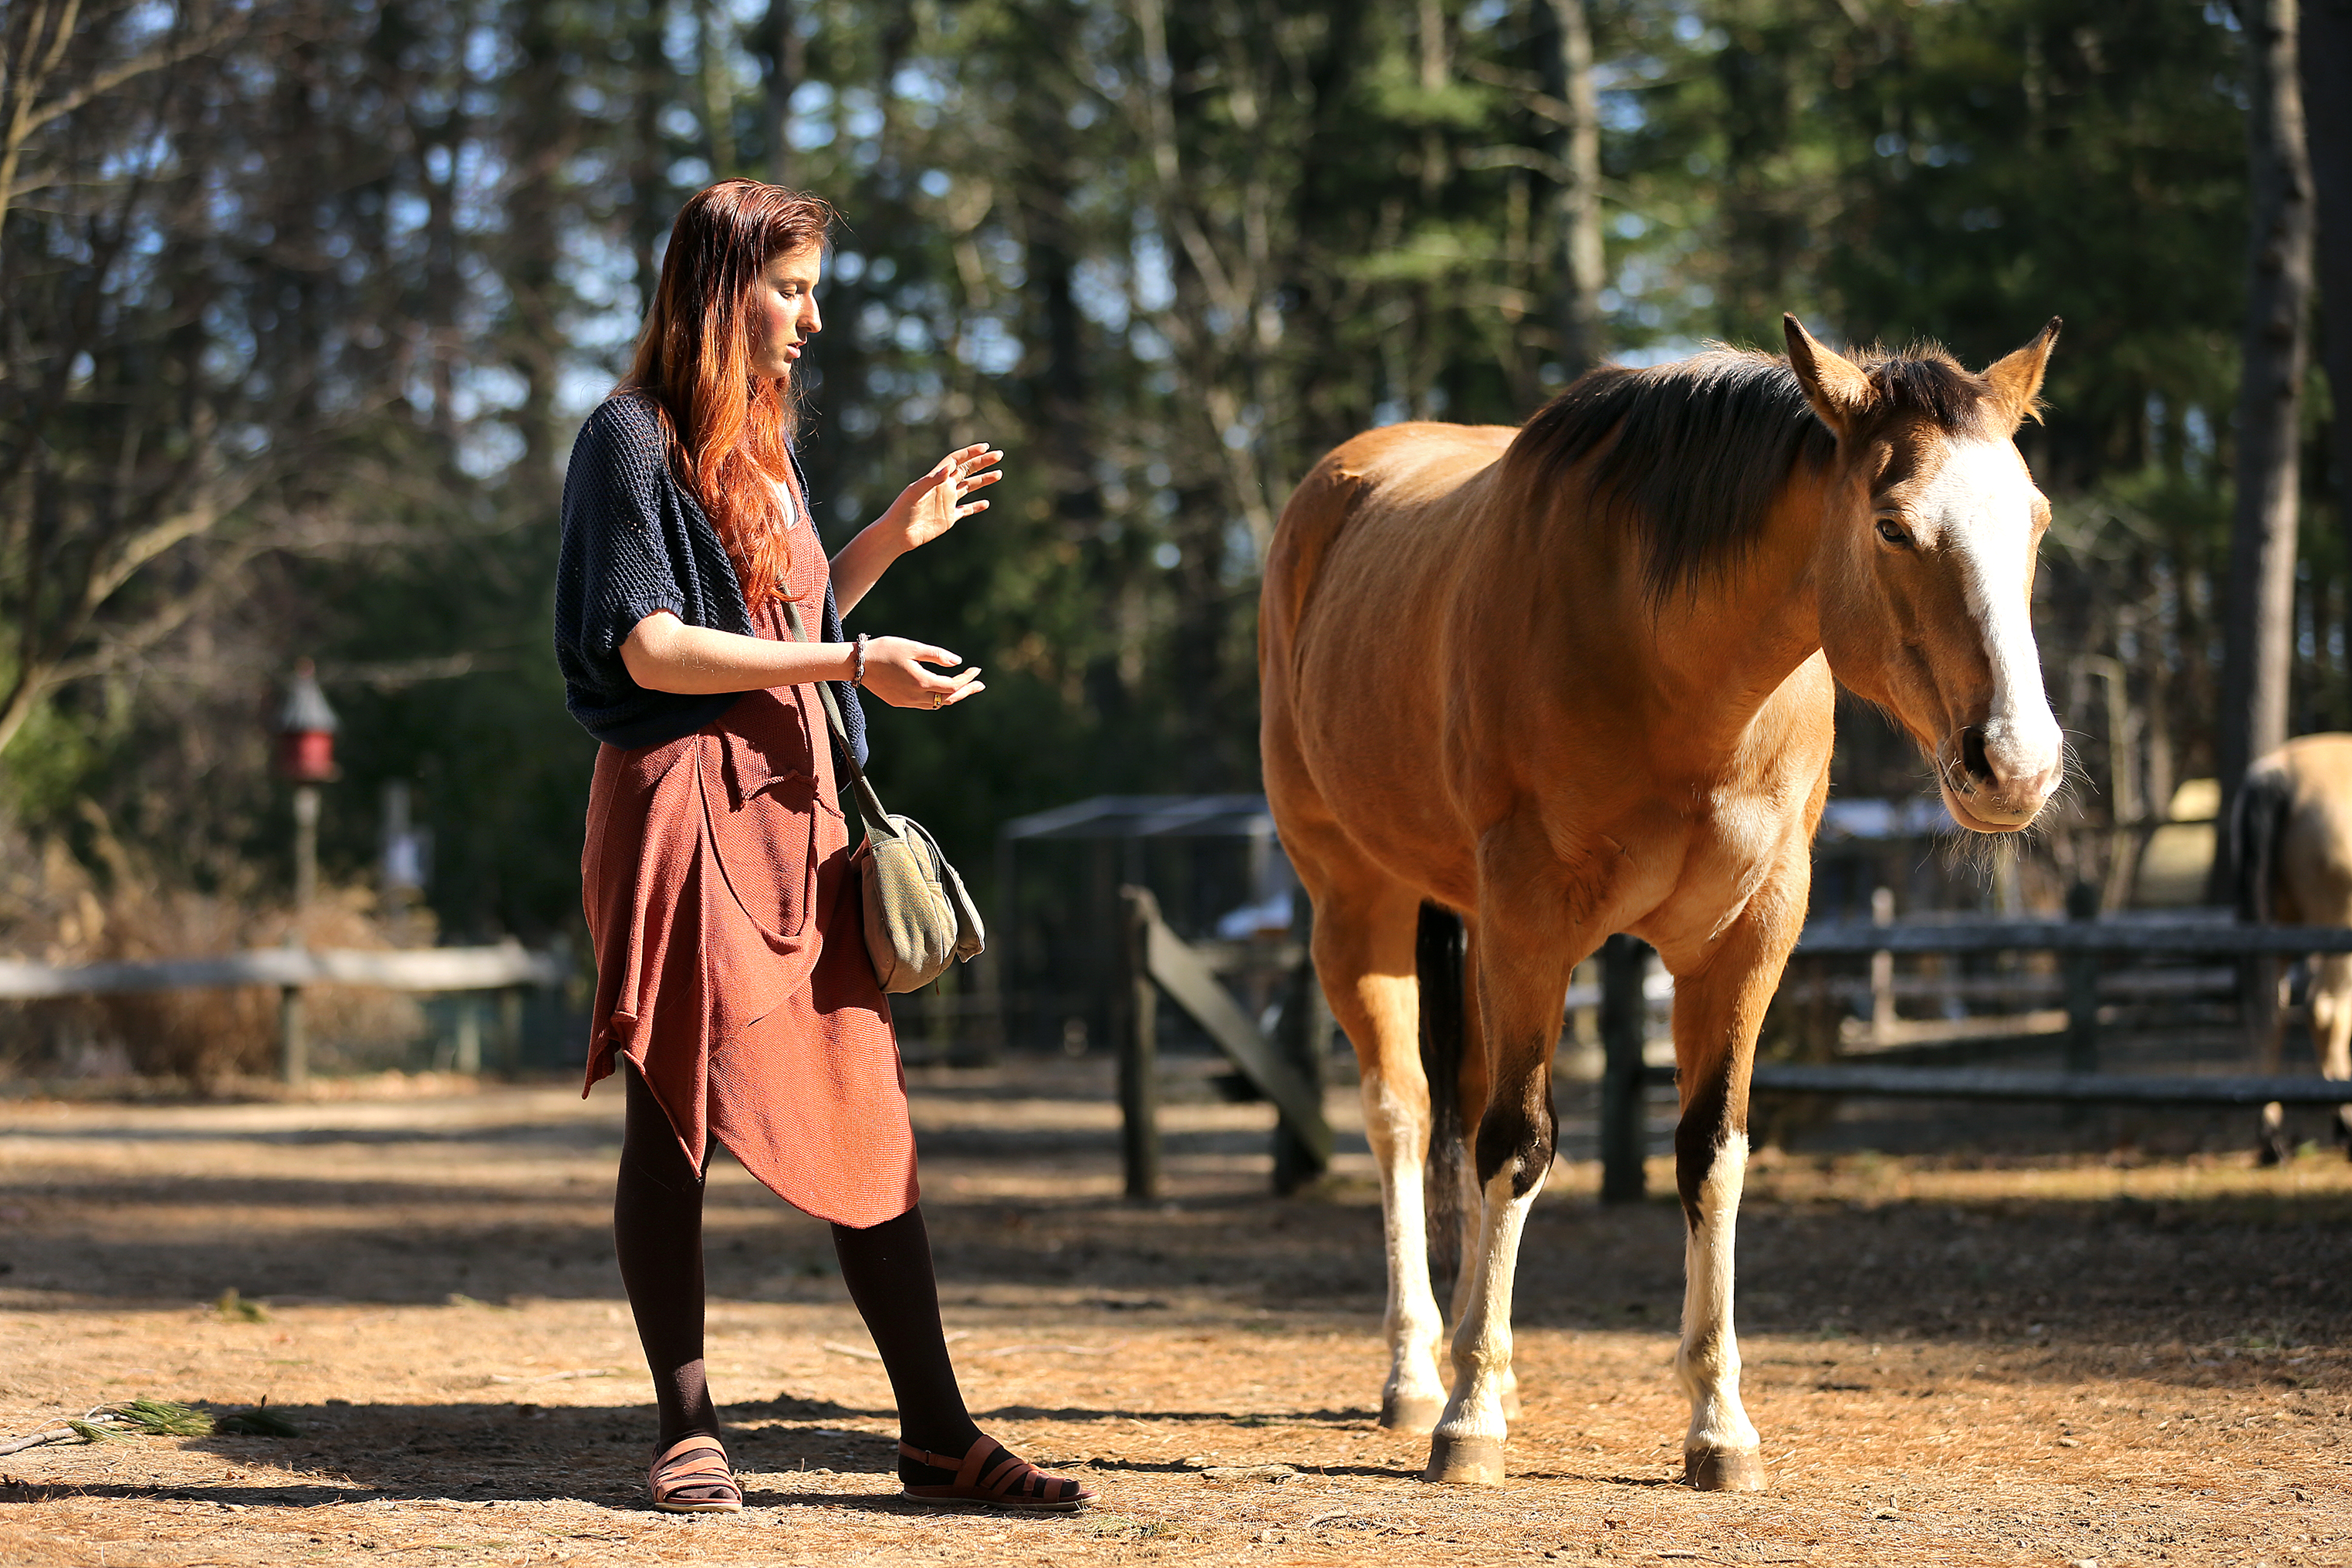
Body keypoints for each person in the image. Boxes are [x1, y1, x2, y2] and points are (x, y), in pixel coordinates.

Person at [553, 178, 1091, 1516]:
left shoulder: (772, 448)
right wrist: (853, 653)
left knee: (862, 1100)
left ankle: (934, 1433)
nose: (812, 316)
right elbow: (654, 647)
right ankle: (688, 1429)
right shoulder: (630, 439)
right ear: (723, 288)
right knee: (674, 1108)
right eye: (790, 288)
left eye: (813, 288)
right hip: (686, 808)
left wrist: (874, 553)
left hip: (802, 820)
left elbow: (775, 626)